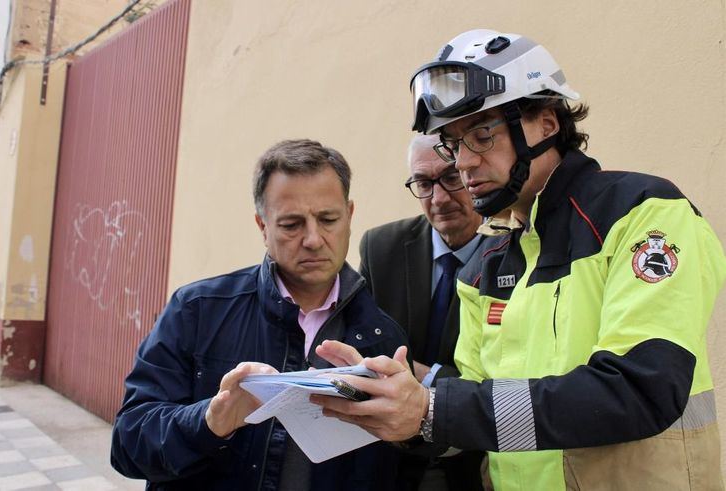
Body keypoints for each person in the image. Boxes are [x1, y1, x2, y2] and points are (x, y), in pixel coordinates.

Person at [312, 29, 726, 490]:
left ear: (547, 123)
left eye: (482, 136)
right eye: (453, 142)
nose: (464, 162)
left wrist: (433, 407)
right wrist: (400, 395)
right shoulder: (487, 263)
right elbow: (475, 410)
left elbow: (639, 390)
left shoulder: (643, 215)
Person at [110, 139, 409, 490]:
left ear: (350, 215)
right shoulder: (197, 309)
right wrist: (209, 421)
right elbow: (128, 443)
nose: (313, 239)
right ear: (262, 226)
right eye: (291, 225)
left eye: (328, 219)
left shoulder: (381, 335)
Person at [359, 134, 485, 490]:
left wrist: (425, 377)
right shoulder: (380, 248)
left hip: (473, 461)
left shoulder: (512, 251)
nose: (439, 198)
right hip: (387, 458)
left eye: (450, 177)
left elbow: (505, 381)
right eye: (424, 183)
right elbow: (360, 342)